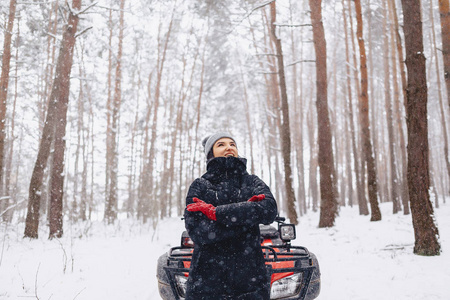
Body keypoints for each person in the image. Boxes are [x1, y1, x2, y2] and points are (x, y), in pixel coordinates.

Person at [184, 132, 278, 300]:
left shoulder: (252, 182)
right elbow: (200, 232)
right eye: (221, 144)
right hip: (206, 283)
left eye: (232, 144)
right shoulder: (200, 186)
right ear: (210, 153)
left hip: (251, 282)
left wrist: (216, 213)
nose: (229, 147)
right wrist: (247, 215)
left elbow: (269, 210)